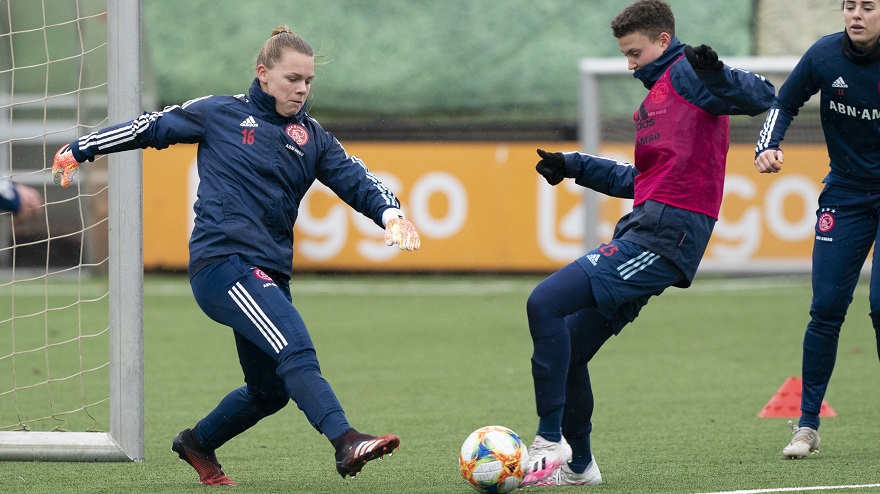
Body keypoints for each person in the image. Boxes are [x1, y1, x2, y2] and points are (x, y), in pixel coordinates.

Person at [52, 26, 421, 485]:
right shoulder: (221, 113)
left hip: (268, 272)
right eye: (292, 79)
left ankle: (197, 442)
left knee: (269, 393)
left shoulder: (313, 138)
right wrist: (83, 147)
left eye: (308, 81)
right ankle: (345, 441)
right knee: (295, 345)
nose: (302, 89)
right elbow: (152, 126)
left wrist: (390, 214)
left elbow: (358, 180)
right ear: (263, 75)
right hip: (223, 265)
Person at [521, 0, 775, 487]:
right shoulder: (656, 96)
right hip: (647, 228)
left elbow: (763, 93)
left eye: (634, 53)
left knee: (544, 302)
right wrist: (574, 165)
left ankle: (550, 440)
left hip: (666, 237)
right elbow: (642, 180)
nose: (629, 64)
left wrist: (716, 70)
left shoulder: (691, 75)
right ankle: (579, 468)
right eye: (624, 55)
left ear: (663, 40)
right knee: (570, 349)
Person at [754, 0, 880, 460]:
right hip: (845, 193)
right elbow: (782, 102)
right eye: (850, 6)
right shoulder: (825, 56)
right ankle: (807, 426)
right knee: (825, 307)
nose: (856, 15)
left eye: (868, 6)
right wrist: (766, 146)